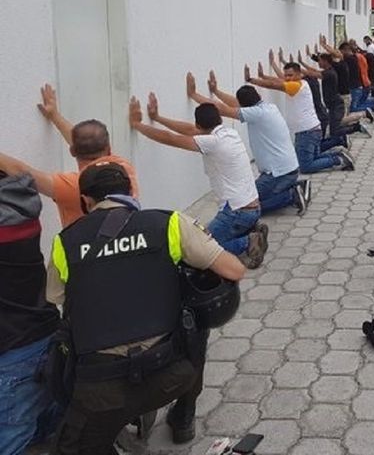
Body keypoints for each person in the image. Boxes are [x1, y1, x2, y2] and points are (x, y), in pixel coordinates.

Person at [47, 162, 246, 452]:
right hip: (171, 375)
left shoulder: (63, 243)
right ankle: (184, 416)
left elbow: (55, 297)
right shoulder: (168, 224)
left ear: (86, 201)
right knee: (196, 321)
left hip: (101, 391)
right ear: (131, 191)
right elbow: (234, 270)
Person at [129, 94, 268, 268]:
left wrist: (137, 125)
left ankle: (248, 241)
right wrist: (157, 118)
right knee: (208, 239)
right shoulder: (229, 133)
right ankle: (249, 230)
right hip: (252, 208)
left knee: (200, 250)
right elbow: (189, 130)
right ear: (218, 119)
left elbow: (171, 138)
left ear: (199, 125)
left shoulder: (213, 142)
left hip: (236, 213)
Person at [0, 85, 139, 227]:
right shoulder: (123, 168)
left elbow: (22, 172)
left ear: (72, 151)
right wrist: (55, 116)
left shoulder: (74, 185)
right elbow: (87, 141)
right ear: (109, 148)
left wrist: (55, 116)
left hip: (84, 247)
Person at [186, 71, 309, 215]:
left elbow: (222, 109)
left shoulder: (257, 114)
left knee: (248, 205)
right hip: (288, 169)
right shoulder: (269, 108)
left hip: (278, 174)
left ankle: (292, 195)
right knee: (250, 199)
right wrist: (216, 91)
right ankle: (294, 188)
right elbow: (234, 105)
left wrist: (194, 94)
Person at [0, 171, 60, 455]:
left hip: (13, 351)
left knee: (11, 439)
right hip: (46, 331)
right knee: (47, 419)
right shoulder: (19, 205)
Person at [246, 63, 356, 173]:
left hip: (307, 132)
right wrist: (263, 76)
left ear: (299, 74)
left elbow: (273, 85)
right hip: (312, 129)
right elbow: (278, 80)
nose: (288, 78)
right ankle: (339, 154)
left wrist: (251, 80)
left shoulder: (295, 86)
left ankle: (338, 159)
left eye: (290, 75)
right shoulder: (301, 83)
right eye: (286, 75)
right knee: (312, 159)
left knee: (305, 166)